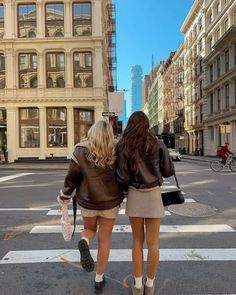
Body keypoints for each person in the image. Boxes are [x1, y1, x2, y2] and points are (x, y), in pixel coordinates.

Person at [58, 120, 123, 293]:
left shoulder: (80, 150)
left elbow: (71, 178)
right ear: (109, 134)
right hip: (110, 202)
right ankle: (99, 278)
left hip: (88, 201)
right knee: (104, 240)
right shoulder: (117, 148)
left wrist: (64, 196)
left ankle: (84, 241)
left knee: (89, 229)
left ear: (92, 132)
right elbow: (123, 175)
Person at [116, 111, 175, 295]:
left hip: (134, 194)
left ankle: (138, 284)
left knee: (136, 241)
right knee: (153, 243)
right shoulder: (157, 144)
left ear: (130, 125)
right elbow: (168, 171)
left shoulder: (124, 146)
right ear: (147, 125)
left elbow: (122, 177)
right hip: (153, 195)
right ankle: (150, 285)